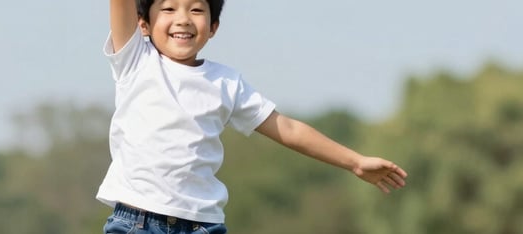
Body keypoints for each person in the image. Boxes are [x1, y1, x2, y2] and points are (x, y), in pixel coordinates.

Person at [97, 0, 408, 233]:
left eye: (196, 10)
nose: (183, 19)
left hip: (202, 224)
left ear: (214, 26)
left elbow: (286, 128)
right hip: (137, 222)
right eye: (168, 8)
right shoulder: (136, 60)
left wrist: (354, 161)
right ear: (143, 24)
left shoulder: (227, 83)